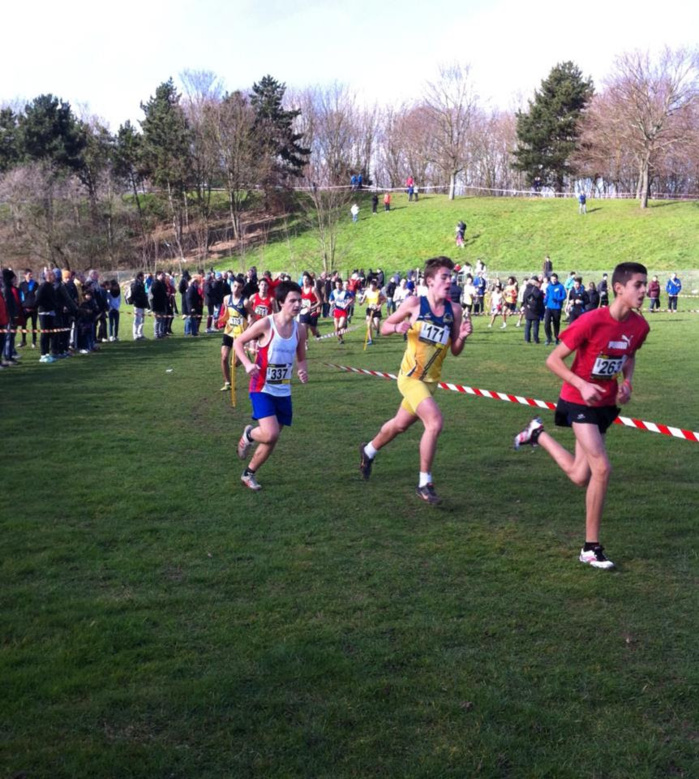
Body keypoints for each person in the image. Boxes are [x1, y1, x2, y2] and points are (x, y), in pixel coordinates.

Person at [514, 262, 650, 570]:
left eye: (645, 285)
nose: (644, 290)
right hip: (577, 400)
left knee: (580, 475)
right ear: (619, 288)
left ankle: (537, 434)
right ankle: (591, 548)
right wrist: (581, 383)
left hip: (604, 404)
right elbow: (553, 360)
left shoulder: (640, 327)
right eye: (638, 285)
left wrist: (627, 382)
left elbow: (628, 355)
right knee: (601, 468)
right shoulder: (591, 321)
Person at [358, 256, 473, 505]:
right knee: (434, 422)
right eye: (444, 277)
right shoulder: (414, 303)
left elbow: (455, 350)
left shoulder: (455, 311)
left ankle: (368, 450)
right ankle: (424, 483)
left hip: (431, 381)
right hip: (410, 378)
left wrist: (462, 337)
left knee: (400, 425)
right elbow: (385, 326)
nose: (448, 281)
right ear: (430, 281)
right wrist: (396, 328)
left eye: (450, 277)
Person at [235, 281, 308, 491]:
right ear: (281, 302)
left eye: (299, 300)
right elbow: (238, 342)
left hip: (283, 390)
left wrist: (303, 370)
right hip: (261, 387)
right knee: (270, 434)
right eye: (292, 300)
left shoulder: (300, 329)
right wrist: (248, 364)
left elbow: (301, 356)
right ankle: (249, 434)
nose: (297, 304)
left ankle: (248, 474)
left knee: (271, 439)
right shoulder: (267, 324)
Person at [217, 275, 247, 392]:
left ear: (242, 289)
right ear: (231, 286)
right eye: (234, 286)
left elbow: (252, 316)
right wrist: (220, 320)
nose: (236, 289)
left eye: (239, 287)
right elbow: (227, 314)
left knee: (234, 363)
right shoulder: (226, 299)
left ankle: (243, 357)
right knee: (224, 357)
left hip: (240, 334)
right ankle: (227, 382)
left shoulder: (245, 302)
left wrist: (249, 327)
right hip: (228, 332)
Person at [359, 277, 386, 345]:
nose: (372, 288)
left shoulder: (378, 292)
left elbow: (385, 299)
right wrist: (361, 302)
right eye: (371, 286)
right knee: (368, 325)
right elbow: (363, 300)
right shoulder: (367, 292)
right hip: (369, 309)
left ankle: (376, 328)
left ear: (375, 286)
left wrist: (380, 305)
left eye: (373, 287)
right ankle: (370, 340)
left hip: (376, 310)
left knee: (376, 326)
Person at [543, 273, 567, 346]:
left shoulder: (560, 286)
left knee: (556, 323)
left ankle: (556, 338)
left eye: (555, 279)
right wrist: (544, 302)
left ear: (557, 279)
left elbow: (564, 296)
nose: (553, 280)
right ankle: (548, 338)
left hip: (557, 308)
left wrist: (557, 299)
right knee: (546, 323)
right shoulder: (549, 286)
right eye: (552, 279)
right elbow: (547, 295)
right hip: (549, 307)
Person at [19, 269, 38, 348]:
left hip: (34, 309)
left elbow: (37, 295)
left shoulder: (35, 284)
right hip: (25, 309)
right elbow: (20, 296)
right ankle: (23, 341)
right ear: (25, 275)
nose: (31, 276)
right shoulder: (22, 285)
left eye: (31, 274)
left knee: (34, 325)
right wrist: (22, 306)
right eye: (29, 274)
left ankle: (34, 342)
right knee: (23, 325)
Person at [522, 276, 544, 344]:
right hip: (535, 309)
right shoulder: (535, 288)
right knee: (535, 325)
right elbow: (537, 296)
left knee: (528, 325)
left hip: (528, 308)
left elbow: (524, 298)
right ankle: (535, 339)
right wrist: (541, 292)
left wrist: (526, 305)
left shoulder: (526, 288)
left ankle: (527, 339)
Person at [131, 272, 149, 340]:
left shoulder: (142, 284)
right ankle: (135, 335)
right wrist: (140, 300)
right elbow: (135, 295)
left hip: (142, 305)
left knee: (142, 320)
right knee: (137, 320)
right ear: (140, 277)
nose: (144, 277)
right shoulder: (135, 284)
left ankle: (140, 334)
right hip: (138, 305)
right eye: (143, 276)